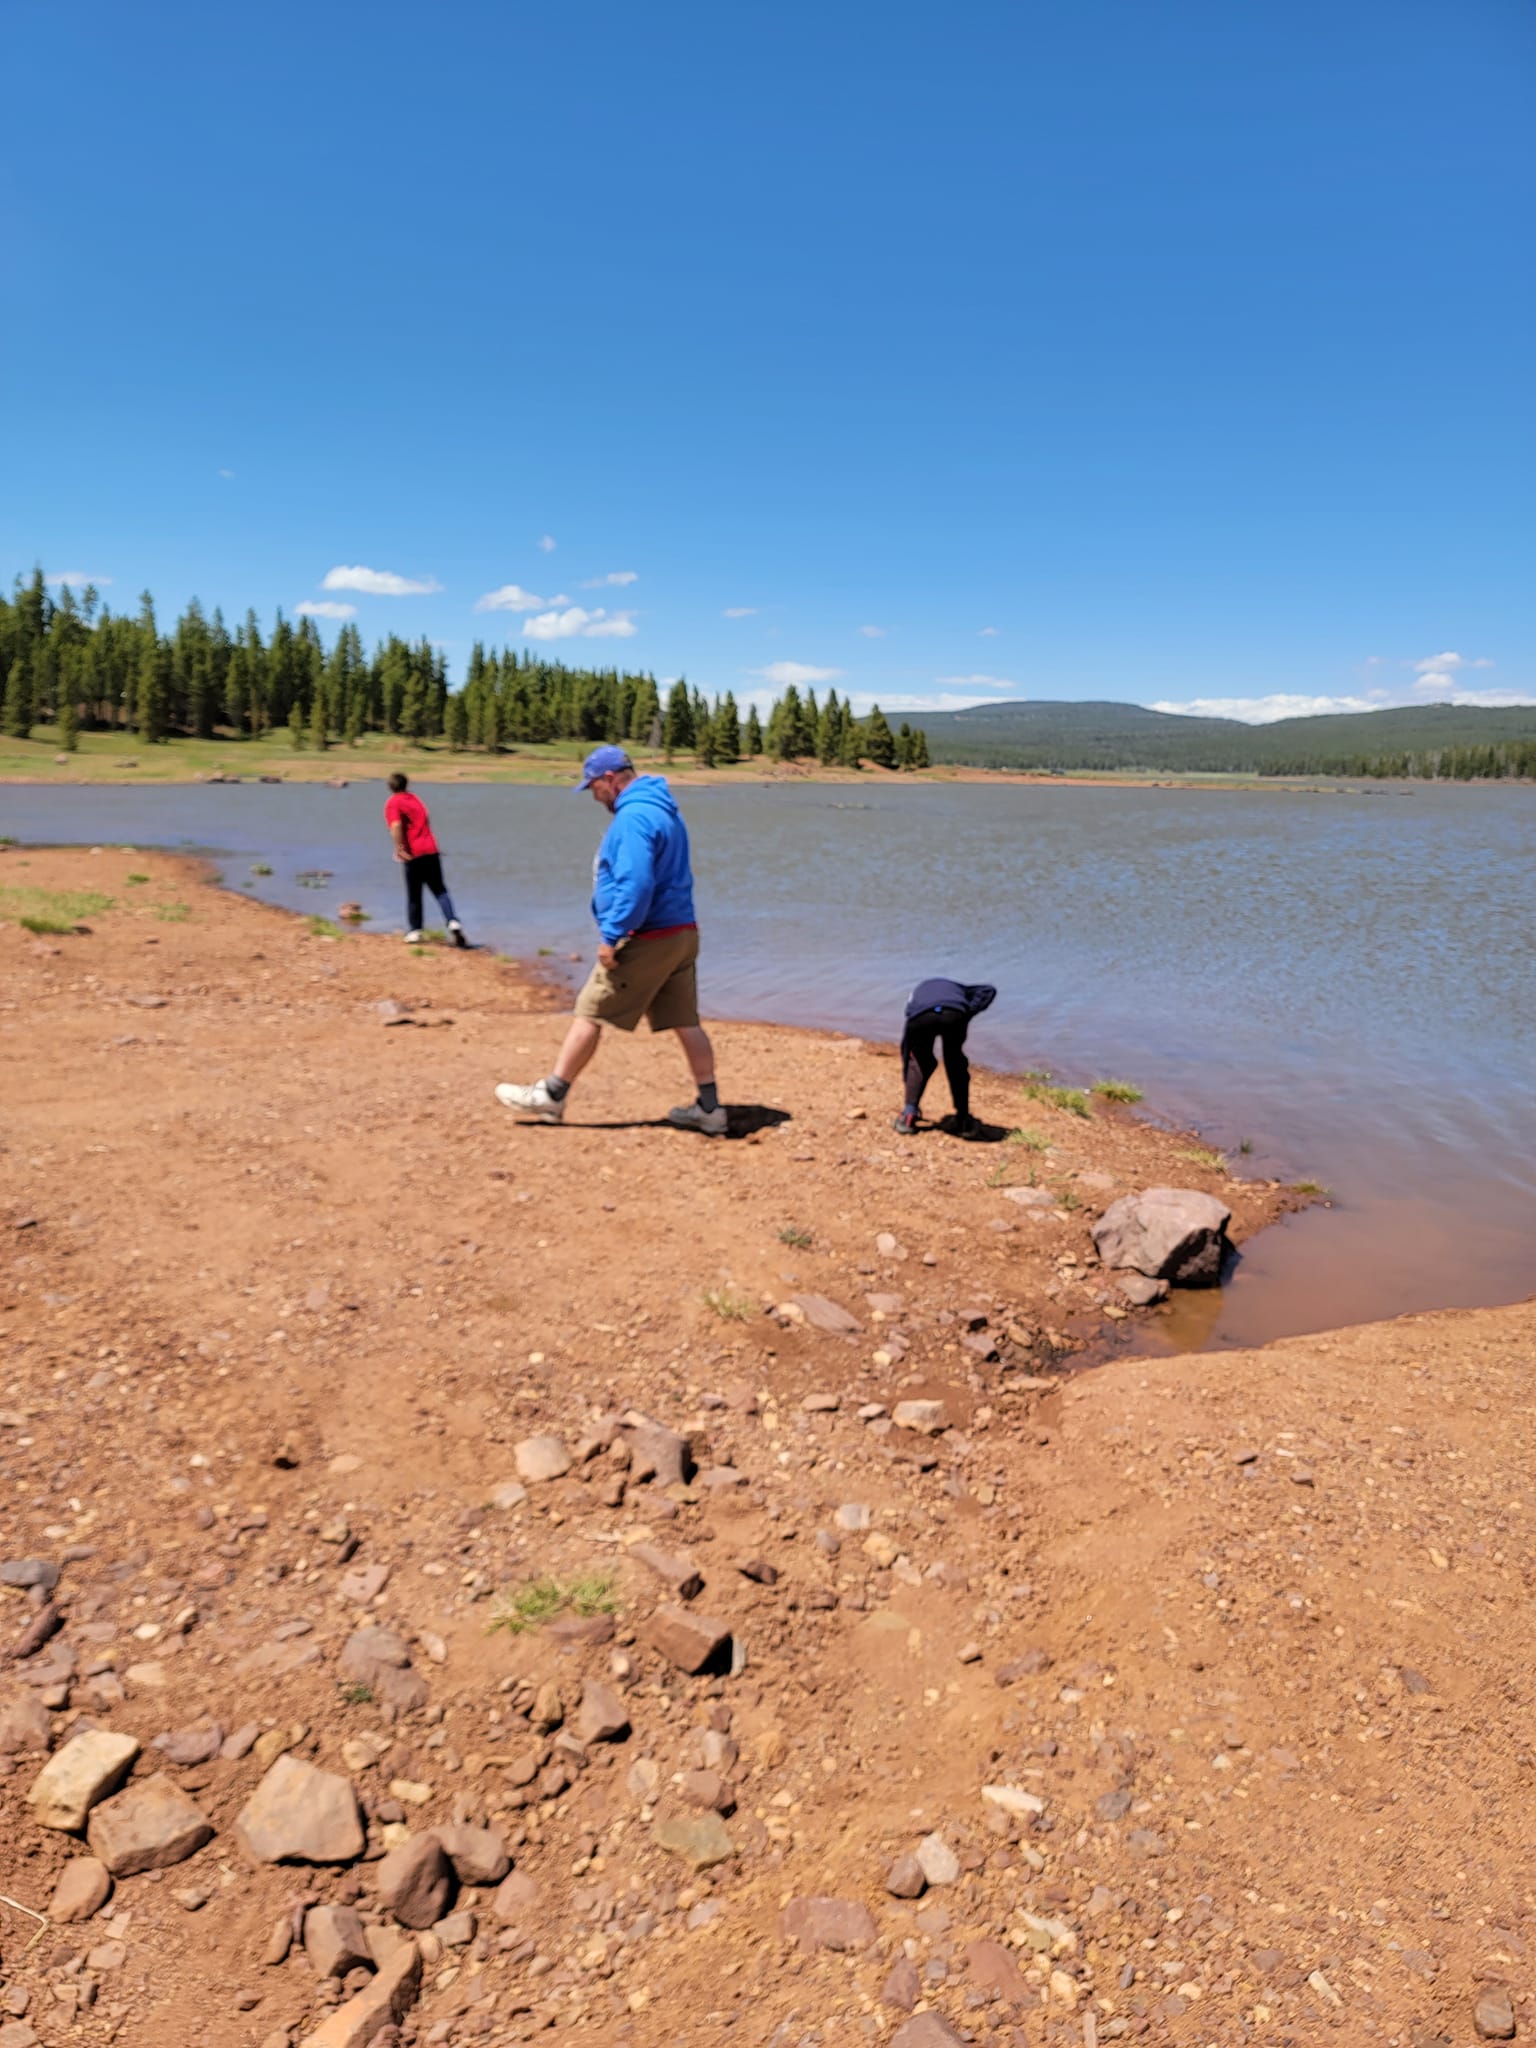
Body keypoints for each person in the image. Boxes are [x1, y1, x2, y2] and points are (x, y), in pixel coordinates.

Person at [495, 745, 725, 1134]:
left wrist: (613, 934)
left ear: (610, 779)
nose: (593, 796)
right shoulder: (663, 809)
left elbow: (637, 883)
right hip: (682, 933)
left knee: (590, 1009)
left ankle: (553, 1093)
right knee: (686, 1021)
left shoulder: (633, 817)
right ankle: (710, 1108)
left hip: (648, 935)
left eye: (594, 788)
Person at [893, 977, 996, 1136]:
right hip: (954, 1014)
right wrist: (968, 1011)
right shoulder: (960, 989)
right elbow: (988, 990)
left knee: (920, 1061)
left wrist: (907, 1072)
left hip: (921, 1016)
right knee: (955, 1061)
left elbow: (907, 1038)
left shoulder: (916, 994)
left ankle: (909, 1115)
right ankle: (963, 1120)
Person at [383, 773, 468, 947]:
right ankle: (452, 921)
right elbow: (424, 821)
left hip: (413, 853)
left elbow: (396, 825)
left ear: (390, 787)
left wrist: (399, 848)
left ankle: (415, 930)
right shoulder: (415, 799)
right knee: (440, 890)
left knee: (414, 892)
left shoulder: (393, 802)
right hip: (431, 850)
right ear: (406, 784)